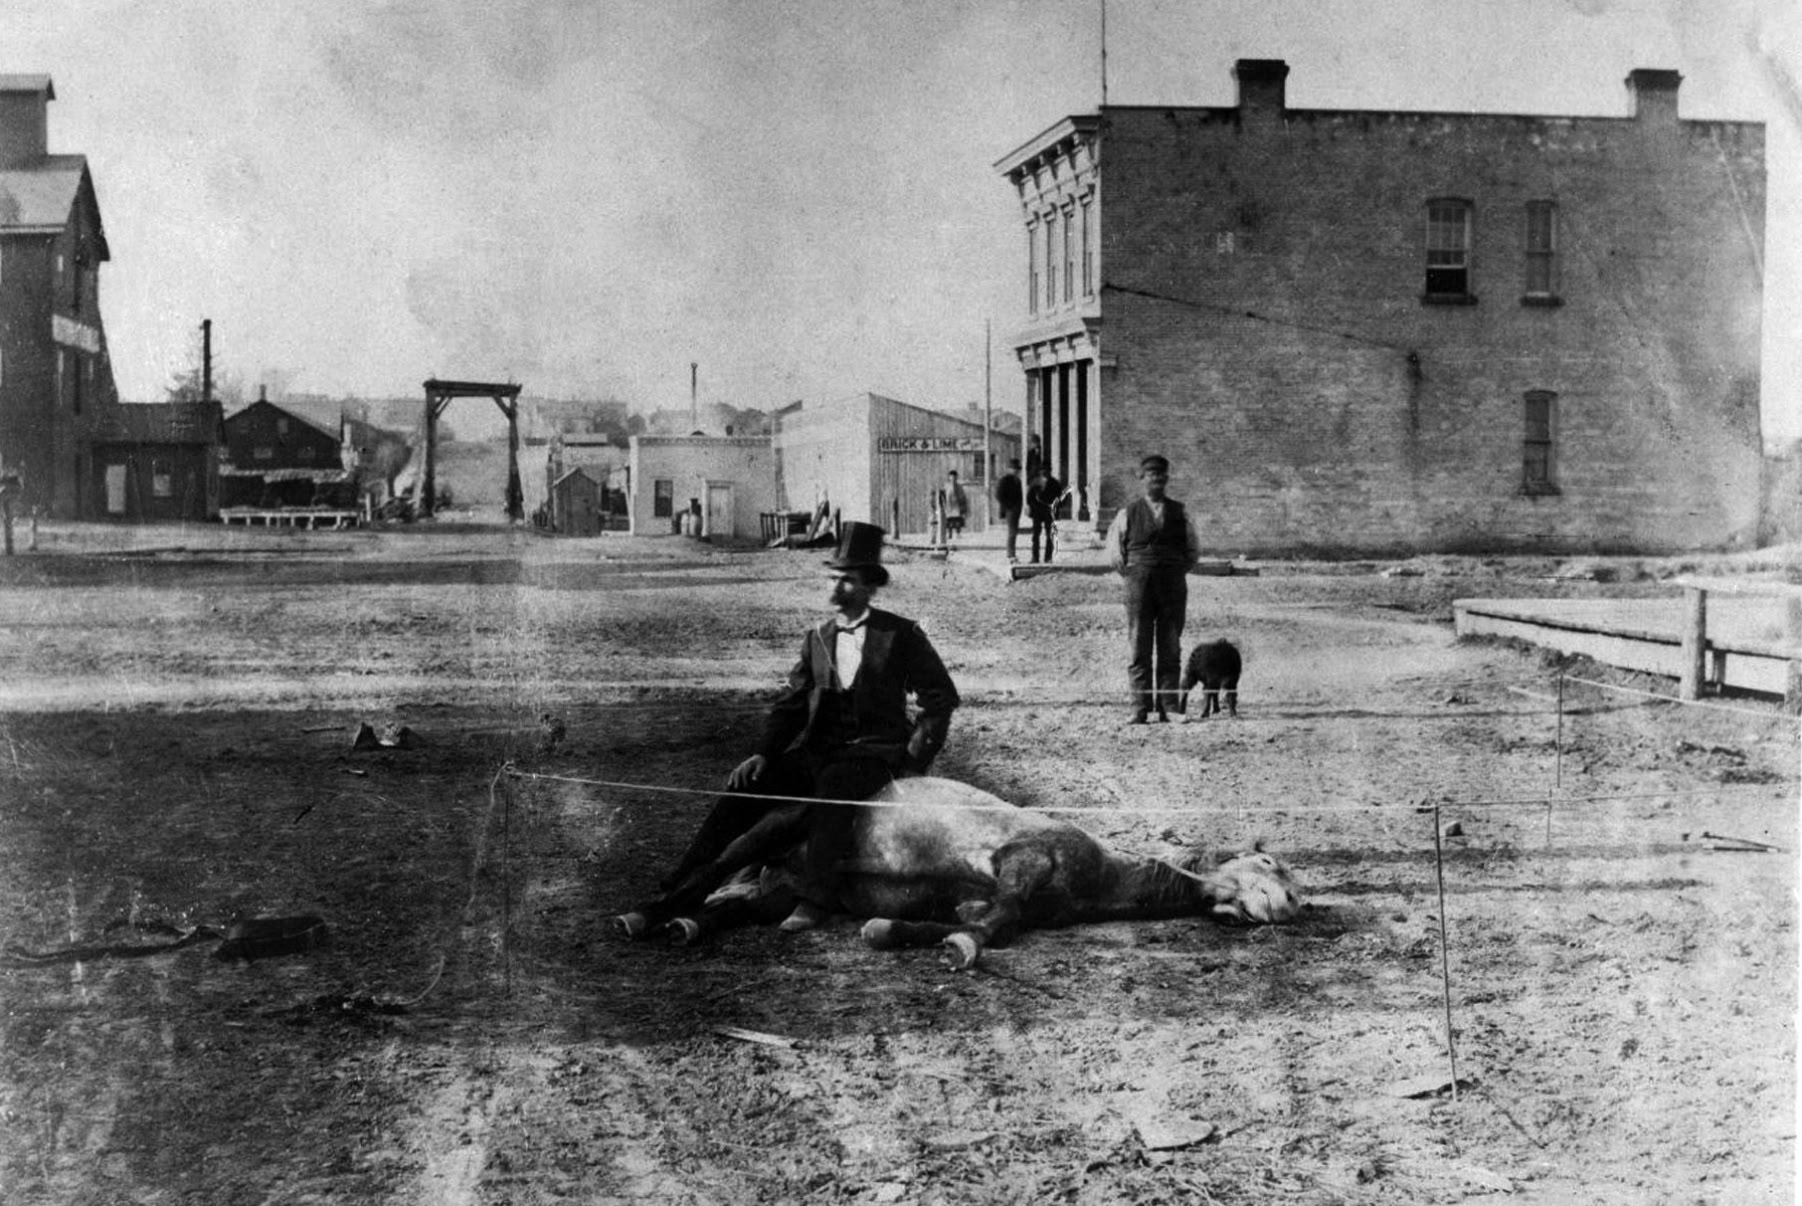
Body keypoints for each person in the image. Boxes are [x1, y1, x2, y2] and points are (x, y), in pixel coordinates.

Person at [656, 521, 960, 928]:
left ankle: (815, 898)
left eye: (848, 581)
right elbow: (792, 704)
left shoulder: (900, 634)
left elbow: (941, 698)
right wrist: (764, 752)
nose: (836, 591)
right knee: (748, 784)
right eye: (833, 579)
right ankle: (688, 875)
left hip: (876, 753)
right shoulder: (817, 638)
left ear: (870, 585)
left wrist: (913, 760)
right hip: (820, 749)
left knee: (834, 788)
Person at [1105, 454, 1203, 724]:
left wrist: (1171, 568)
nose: (1156, 479)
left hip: (1172, 585)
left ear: (1166, 479)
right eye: (1151, 475)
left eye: (1161, 475)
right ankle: (1139, 707)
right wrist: (1138, 572)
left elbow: (1193, 551)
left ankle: (1169, 706)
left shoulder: (1180, 512)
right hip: (1139, 586)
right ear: (1142, 478)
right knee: (1139, 646)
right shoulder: (1128, 513)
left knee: (1170, 645)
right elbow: (1115, 554)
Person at [1026, 466, 1063, 564]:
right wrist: (1033, 508)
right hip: (1037, 513)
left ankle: (1048, 557)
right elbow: (1029, 498)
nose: (1044, 474)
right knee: (1035, 536)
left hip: (1048, 512)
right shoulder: (1035, 483)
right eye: (1043, 472)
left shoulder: (1055, 484)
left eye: (1046, 472)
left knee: (1049, 535)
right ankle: (1035, 557)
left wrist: (1055, 508)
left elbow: (1060, 498)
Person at [994, 458, 1024, 563]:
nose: (1015, 471)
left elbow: (1020, 496)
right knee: (1012, 532)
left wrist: (1019, 507)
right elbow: (998, 495)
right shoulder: (1005, 480)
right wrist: (1009, 506)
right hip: (1009, 510)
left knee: (1014, 531)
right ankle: (1011, 554)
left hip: (1016, 510)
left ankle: (1011, 553)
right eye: (1013, 468)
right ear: (1008, 469)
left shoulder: (1018, 481)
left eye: (1017, 469)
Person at [941, 470, 968, 547]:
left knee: (957, 520)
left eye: (954, 477)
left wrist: (962, 504)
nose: (953, 478)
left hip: (957, 504)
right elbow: (943, 494)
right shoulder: (946, 485)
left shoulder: (959, 486)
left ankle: (958, 533)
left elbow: (962, 496)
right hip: (949, 505)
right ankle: (949, 534)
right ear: (949, 477)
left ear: (956, 478)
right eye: (951, 477)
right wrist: (944, 503)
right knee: (949, 520)